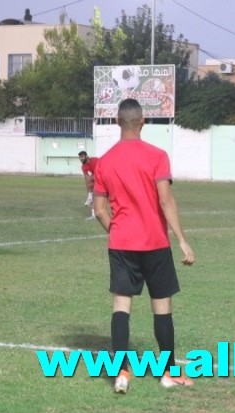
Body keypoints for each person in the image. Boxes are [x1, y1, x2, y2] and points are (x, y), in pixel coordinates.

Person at [93, 98, 196, 394]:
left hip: (121, 243)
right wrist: (182, 240)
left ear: (116, 123)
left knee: (121, 306)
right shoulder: (157, 156)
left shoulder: (106, 161)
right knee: (162, 307)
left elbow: (100, 210)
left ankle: (121, 372)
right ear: (143, 122)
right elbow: (166, 200)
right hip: (155, 243)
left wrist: (117, 230)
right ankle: (168, 374)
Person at [78, 151, 99, 220]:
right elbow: (87, 178)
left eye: (82, 157)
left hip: (104, 174)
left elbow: (103, 168)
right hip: (97, 177)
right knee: (89, 184)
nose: (81, 159)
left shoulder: (95, 160)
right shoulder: (83, 166)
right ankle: (93, 215)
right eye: (80, 158)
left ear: (86, 156)